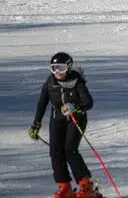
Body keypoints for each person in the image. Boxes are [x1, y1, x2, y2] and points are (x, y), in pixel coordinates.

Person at [28, 52, 99, 198]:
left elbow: (88, 102)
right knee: (55, 152)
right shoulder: (50, 83)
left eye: (61, 68)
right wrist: (36, 124)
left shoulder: (76, 81)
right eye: (54, 68)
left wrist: (76, 107)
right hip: (57, 119)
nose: (58, 72)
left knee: (70, 150)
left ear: (68, 67)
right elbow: (42, 104)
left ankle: (86, 186)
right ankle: (64, 186)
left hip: (76, 119)